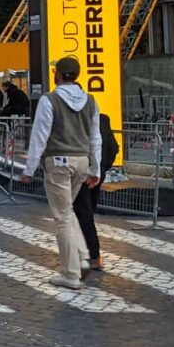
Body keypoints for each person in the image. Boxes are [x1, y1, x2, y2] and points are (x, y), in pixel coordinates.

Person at [20, 56, 102, 291]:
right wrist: (95, 168)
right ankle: (83, 257)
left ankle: (72, 273)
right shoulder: (90, 101)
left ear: (57, 73)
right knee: (68, 211)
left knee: (62, 217)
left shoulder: (50, 100)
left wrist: (29, 169)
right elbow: (95, 137)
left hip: (58, 161)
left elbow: (40, 136)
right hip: (82, 161)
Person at [73, 112, 119, 276]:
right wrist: (103, 167)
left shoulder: (79, 120)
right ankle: (89, 253)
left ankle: (92, 254)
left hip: (84, 172)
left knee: (82, 213)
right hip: (98, 172)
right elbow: (113, 148)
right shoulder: (103, 119)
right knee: (88, 212)